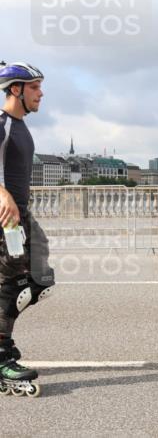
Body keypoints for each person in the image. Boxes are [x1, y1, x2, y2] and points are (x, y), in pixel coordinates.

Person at [0, 62, 55, 384]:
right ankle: (2, 355)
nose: (41, 93)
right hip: (7, 219)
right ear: (16, 90)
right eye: (34, 87)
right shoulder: (3, 124)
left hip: (22, 215)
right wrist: (3, 195)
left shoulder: (20, 125)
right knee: (15, 284)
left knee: (40, 280)